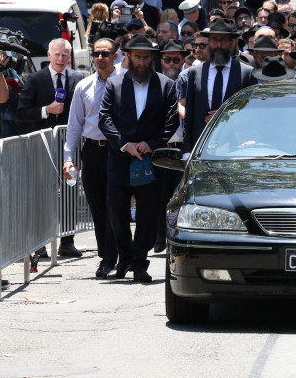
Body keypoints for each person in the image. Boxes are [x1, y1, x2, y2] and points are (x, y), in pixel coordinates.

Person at [98, 34, 180, 283]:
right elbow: (104, 118)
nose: (142, 62)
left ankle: (139, 262)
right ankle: (125, 257)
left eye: (146, 57)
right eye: (138, 57)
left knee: (148, 213)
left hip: (150, 159)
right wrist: (124, 144)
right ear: (128, 56)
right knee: (116, 210)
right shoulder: (114, 83)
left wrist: (150, 144)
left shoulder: (166, 85)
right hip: (120, 158)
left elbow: (171, 121)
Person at [16, 37, 85, 257]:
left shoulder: (78, 78)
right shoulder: (35, 79)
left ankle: (68, 240)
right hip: (43, 145)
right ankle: (39, 243)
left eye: (65, 55)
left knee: (69, 191)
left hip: (70, 146)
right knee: (42, 194)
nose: (61, 59)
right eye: (57, 54)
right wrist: (46, 110)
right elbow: (21, 112)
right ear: (49, 55)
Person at [63, 37, 123, 278]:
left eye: (105, 53)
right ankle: (106, 257)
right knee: (98, 208)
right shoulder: (84, 86)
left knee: (116, 205)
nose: (100, 58)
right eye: (96, 54)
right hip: (93, 151)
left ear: (115, 56)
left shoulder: (126, 83)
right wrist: (68, 157)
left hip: (119, 151)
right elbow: (74, 125)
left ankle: (121, 255)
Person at [178, 18, 256, 154]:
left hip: (235, 148)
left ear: (232, 42)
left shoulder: (246, 73)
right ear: (209, 42)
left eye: (223, 40)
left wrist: (224, 115)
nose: (218, 45)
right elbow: (189, 116)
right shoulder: (195, 73)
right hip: (200, 148)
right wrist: (187, 152)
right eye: (214, 40)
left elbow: (251, 112)